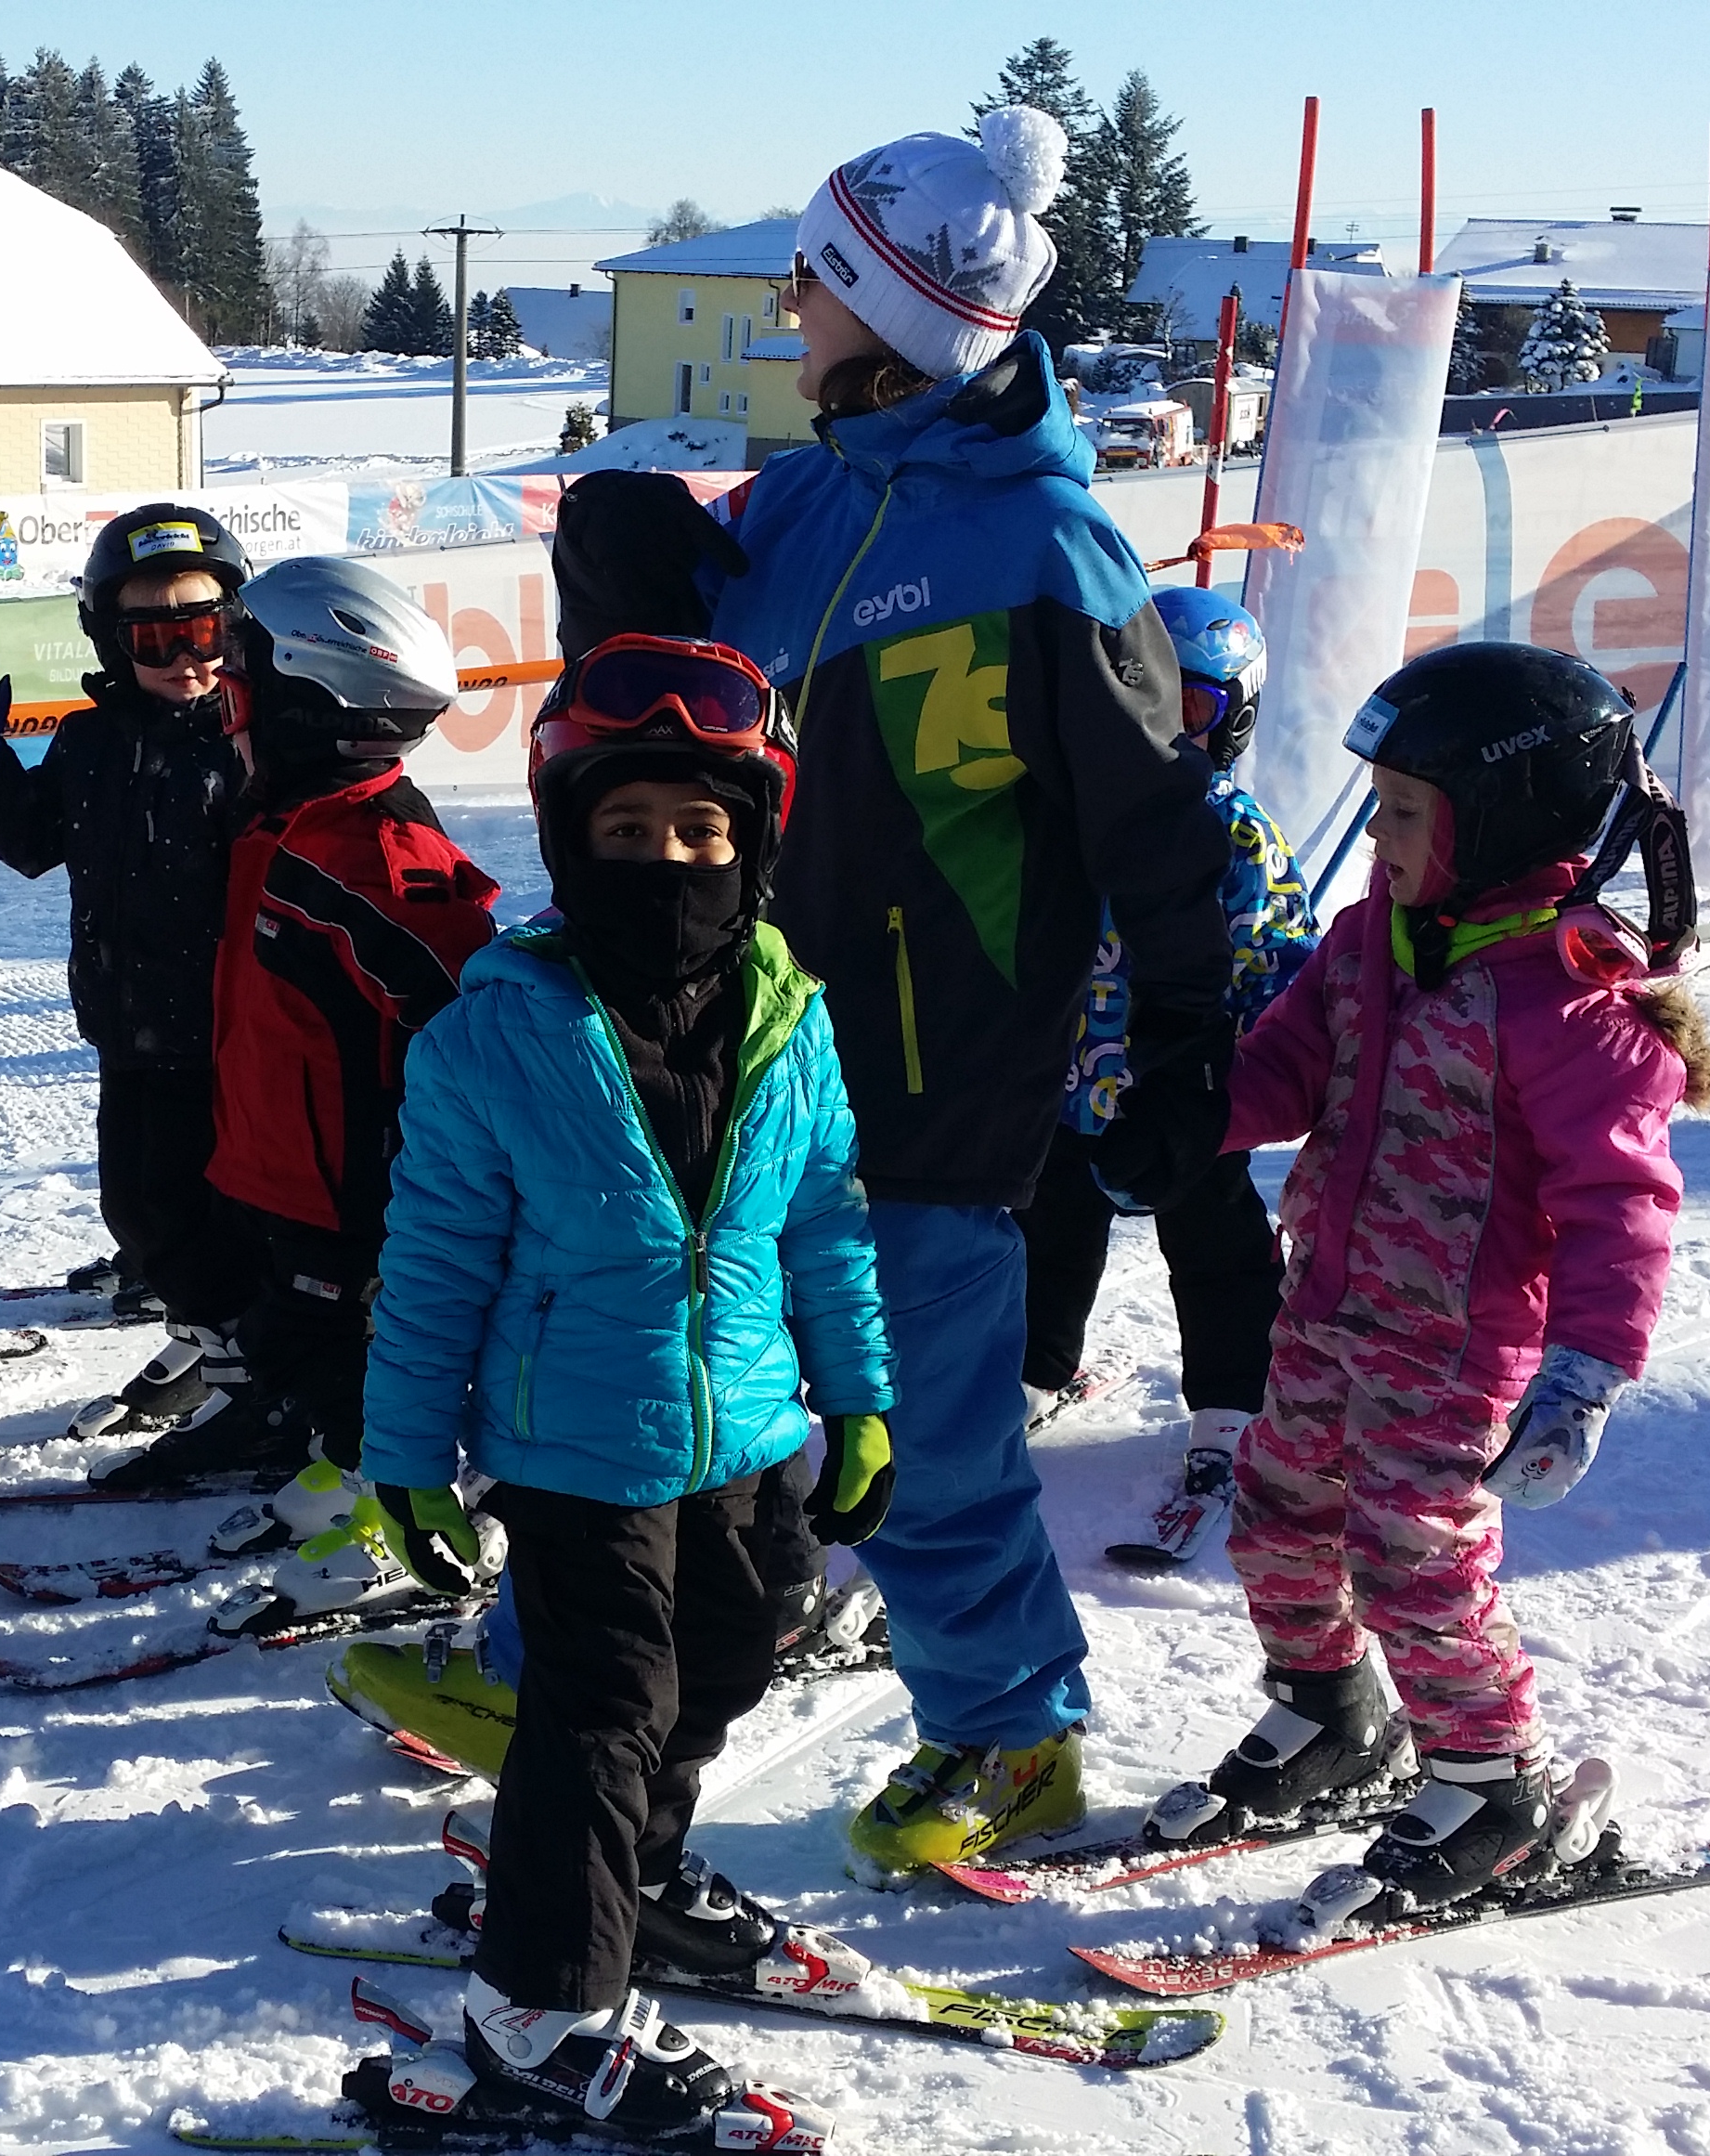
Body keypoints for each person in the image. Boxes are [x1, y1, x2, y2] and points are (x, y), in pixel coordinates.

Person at [553, 106, 1241, 1879]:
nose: (787, 305)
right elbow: (669, 732)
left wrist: (1187, 1035)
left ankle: (1010, 1736)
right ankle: (555, 1672)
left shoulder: (1048, 549)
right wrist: (628, 587)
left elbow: (1161, 828)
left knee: (922, 1440)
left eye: (810, 277)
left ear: (889, 306)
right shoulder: (795, 503)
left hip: (934, 1086)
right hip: (746, 1049)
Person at [357, 630, 890, 2138]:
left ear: (753, 843)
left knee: (722, 1666)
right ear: (567, 837)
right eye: (628, 828)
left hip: (747, 1427)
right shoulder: (493, 1036)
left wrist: (858, 1397)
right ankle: (534, 2003)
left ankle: (630, 1880)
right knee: (598, 1713)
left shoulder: (789, 1015)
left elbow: (827, 1219)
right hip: (573, 1443)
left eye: (700, 831)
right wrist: (405, 1451)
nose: (666, 861)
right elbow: (435, 1260)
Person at [1139, 642, 1710, 1928]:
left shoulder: (1576, 1005)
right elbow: (1290, 1064)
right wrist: (1191, 1123)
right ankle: (1331, 1710)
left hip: (1458, 1346)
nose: (1377, 834)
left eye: (1405, 811)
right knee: (1278, 1513)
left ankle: (1495, 1784)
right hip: (1328, 1305)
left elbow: (1621, 1202)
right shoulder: (1373, 940)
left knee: (1416, 1560)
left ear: (1501, 822)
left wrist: (1585, 1374)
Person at [88, 554, 501, 1509]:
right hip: (268, 1168)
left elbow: (473, 1025)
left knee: (341, 1357)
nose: (225, 712)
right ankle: (284, 1425)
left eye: (240, 692)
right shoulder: (283, 825)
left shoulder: (378, 860)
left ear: (310, 709)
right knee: (279, 1337)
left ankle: (381, 1504)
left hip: (347, 1197)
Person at [0, 506, 265, 1435]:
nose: (185, 657)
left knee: (213, 1215)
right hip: (128, 1023)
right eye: (155, 637)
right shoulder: (92, 740)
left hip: (227, 1033)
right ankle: (210, 1337)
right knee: (138, 1208)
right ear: (113, 642)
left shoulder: (253, 742)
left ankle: (246, 1367)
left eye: (203, 630)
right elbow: (33, 841)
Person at [1016, 587, 1316, 1521]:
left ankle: (1232, 1406)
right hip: (1067, 1085)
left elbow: (1279, 953)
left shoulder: (1233, 827)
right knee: (1048, 1232)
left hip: (1182, 1089)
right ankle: (1034, 1368)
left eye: (1187, 706)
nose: (1156, 728)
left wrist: (1255, 1058)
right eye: (1133, 697)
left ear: (1236, 715)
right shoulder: (1065, 813)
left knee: (1215, 1245)